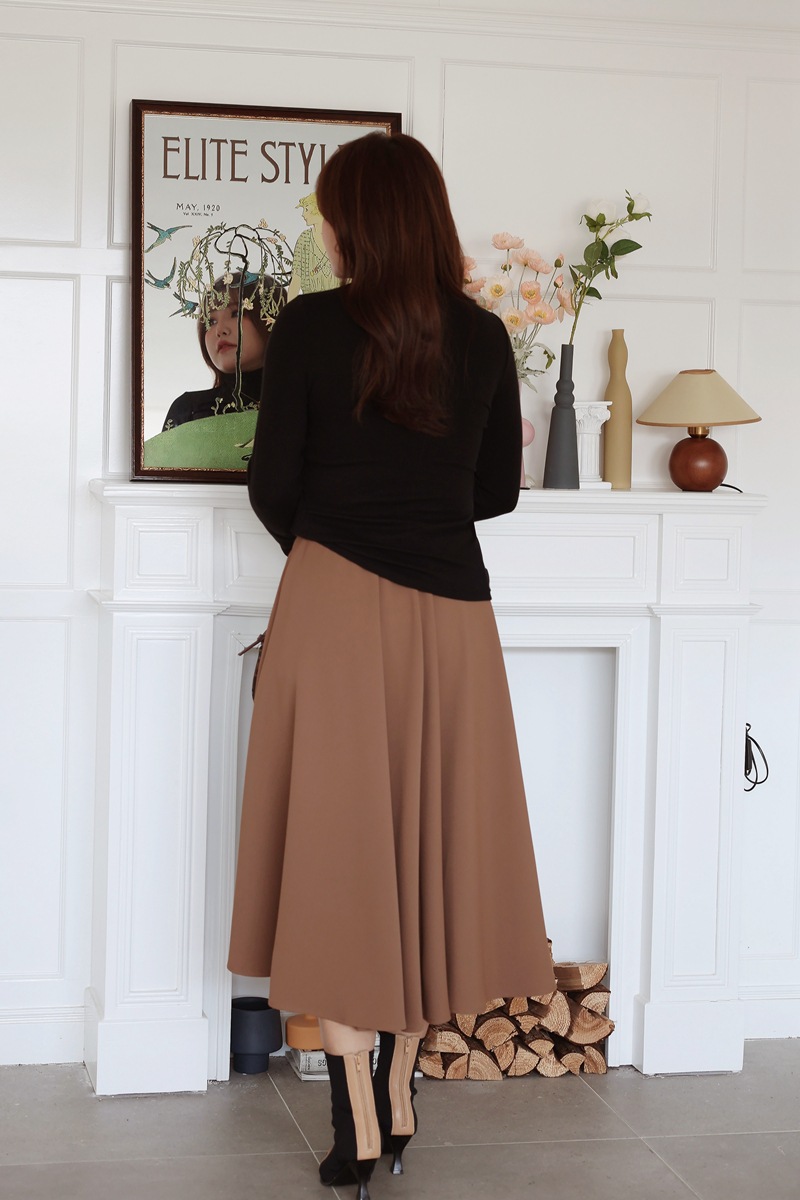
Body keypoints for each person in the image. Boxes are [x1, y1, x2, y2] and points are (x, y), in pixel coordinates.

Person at [227, 132, 554, 1200]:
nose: (326, 232)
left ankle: (357, 1129)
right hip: (451, 618)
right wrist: (416, 519)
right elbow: (496, 493)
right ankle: (400, 1104)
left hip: (333, 604)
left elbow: (272, 483)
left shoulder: (311, 326)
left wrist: (337, 542)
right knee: (427, 858)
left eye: (331, 214)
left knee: (340, 862)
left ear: (354, 224)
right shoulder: (483, 334)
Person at [161, 273, 285, 431]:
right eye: (211, 321)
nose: (220, 330)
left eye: (236, 313)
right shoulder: (189, 411)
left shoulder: (303, 405)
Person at [285, 191, 340, 299]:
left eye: (306, 209)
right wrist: (288, 308)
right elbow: (296, 279)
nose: (303, 214)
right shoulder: (304, 239)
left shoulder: (341, 237)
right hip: (310, 305)